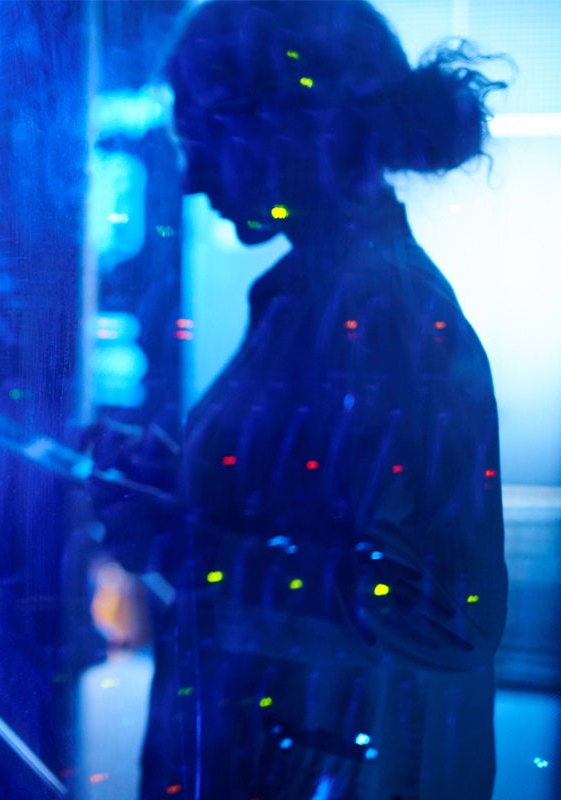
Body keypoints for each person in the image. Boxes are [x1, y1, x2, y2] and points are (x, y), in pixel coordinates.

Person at [91, 2, 510, 798]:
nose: (191, 177)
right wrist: (180, 485)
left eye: (201, 138)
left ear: (290, 128)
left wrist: (181, 544)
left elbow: (438, 614)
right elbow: (320, 521)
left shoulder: (384, 312)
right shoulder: (320, 300)